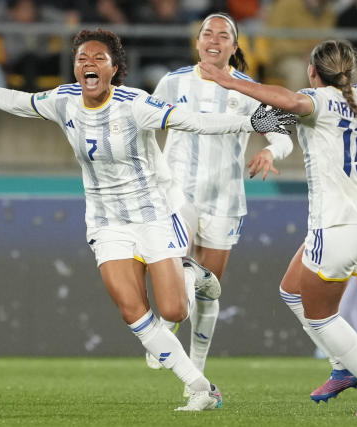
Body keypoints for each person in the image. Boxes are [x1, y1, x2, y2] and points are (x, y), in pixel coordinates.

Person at [0, 28, 294, 411]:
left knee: (174, 311)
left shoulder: (134, 103)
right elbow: (17, 101)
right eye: (82, 59)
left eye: (98, 58)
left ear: (114, 68)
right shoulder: (63, 100)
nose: (88, 64)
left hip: (153, 215)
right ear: (74, 68)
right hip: (107, 222)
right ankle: (201, 388)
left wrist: (252, 124)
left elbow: (192, 121)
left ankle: (191, 274)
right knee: (132, 311)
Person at [200, 39, 357, 417]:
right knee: (291, 291)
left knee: (321, 317)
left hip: (336, 225)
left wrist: (230, 80)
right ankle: (343, 366)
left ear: (312, 72)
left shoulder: (317, 101)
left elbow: (287, 101)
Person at [146, 12, 294, 386]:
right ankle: (165, 324)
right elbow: (142, 124)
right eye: (207, 33)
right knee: (180, 271)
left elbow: (283, 136)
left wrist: (270, 153)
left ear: (234, 45)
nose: (214, 39)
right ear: (197, 42)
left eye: (223, 35)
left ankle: (195, 368)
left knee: (208, 289)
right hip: (177, 191)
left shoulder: (246, 90)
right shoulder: (173, 82)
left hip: (226, 199)